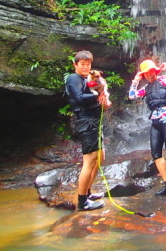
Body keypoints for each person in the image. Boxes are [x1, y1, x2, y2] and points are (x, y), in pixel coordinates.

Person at [129, 59, 166, 203]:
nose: (149, 75)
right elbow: (132, 96)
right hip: (155, 122)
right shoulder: (146, 88)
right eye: (145, 74)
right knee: (156, 155)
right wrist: (135, 81)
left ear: (155, 70)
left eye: (151, 71)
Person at [65, 50, 111, 211]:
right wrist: (97, 94)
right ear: (75, 65)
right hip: (86, 121)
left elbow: (100, 100)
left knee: (100, 158)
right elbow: (78, 98)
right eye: (82, 64)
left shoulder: (89, 79)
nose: (85, 67)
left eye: (88, 64)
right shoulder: (73, 78)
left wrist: (103, 98)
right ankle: (82, 201)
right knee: (89, 160)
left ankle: (88, 191)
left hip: (95, 120)